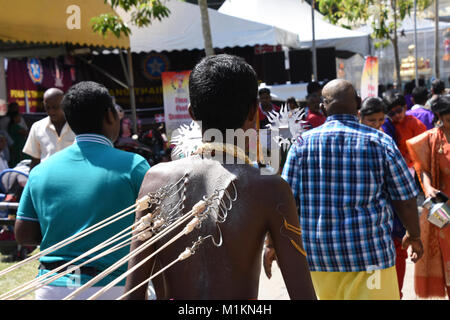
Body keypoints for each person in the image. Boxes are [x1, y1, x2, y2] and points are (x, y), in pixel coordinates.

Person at [123, 54, 316, 300]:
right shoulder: (270, 187)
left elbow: (133, 295)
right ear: (252, 112)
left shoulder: (154, 179)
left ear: (192, 113)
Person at [281, 79, 423, 300]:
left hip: (319, 259)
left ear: (322, 107)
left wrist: (274, 244)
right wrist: (413, 235)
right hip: (371, 259)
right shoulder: (380, 142)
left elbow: (285, 200)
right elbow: (405, 197)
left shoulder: (300, 145)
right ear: (358, 103)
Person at [14, 81, 151, 300]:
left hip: (52, 286)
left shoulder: (39, 172)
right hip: (115, 287)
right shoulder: (134, 165)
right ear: (109, 116)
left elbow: (24, 234)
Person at [358, 96, 410, 299]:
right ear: (360, 117)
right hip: (370, 230)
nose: (378, 125)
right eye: (372, 121)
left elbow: (403, 191)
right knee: (374, 287)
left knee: (394, 283)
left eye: (381, 120)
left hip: (392, 224)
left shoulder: (386, 138)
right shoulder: (357, 143)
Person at [406, 94, 450, 299]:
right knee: (445, 254)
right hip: (443, 206)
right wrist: (429, 188)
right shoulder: (431, 139)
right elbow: (423, 169)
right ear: (440, 116)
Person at [22, 88, 75, 169]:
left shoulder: (77, 126)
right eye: (47, 107)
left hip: (73, 178)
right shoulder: (37, 127)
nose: (51, 111)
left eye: (55, 107)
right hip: (47, 180)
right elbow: (35, 160)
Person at [382, 91, 427, 172]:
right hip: (397, 164)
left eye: (398, 110)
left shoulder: (414, 123)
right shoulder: (389, 125)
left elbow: (422, 145)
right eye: (392, 114)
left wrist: (407, 158)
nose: (396, 115)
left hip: (413, 165)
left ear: (405, 108)